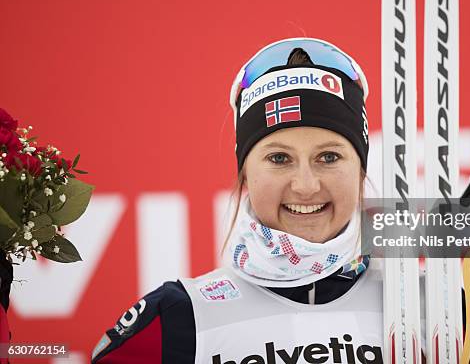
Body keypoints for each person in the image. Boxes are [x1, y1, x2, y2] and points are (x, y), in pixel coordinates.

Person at [91, 38, 384, 364]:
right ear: (245, 172)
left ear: (361, 168)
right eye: (279, 158)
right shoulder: (178, 318)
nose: (305, 185)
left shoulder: (429, 309)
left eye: (329, 157)